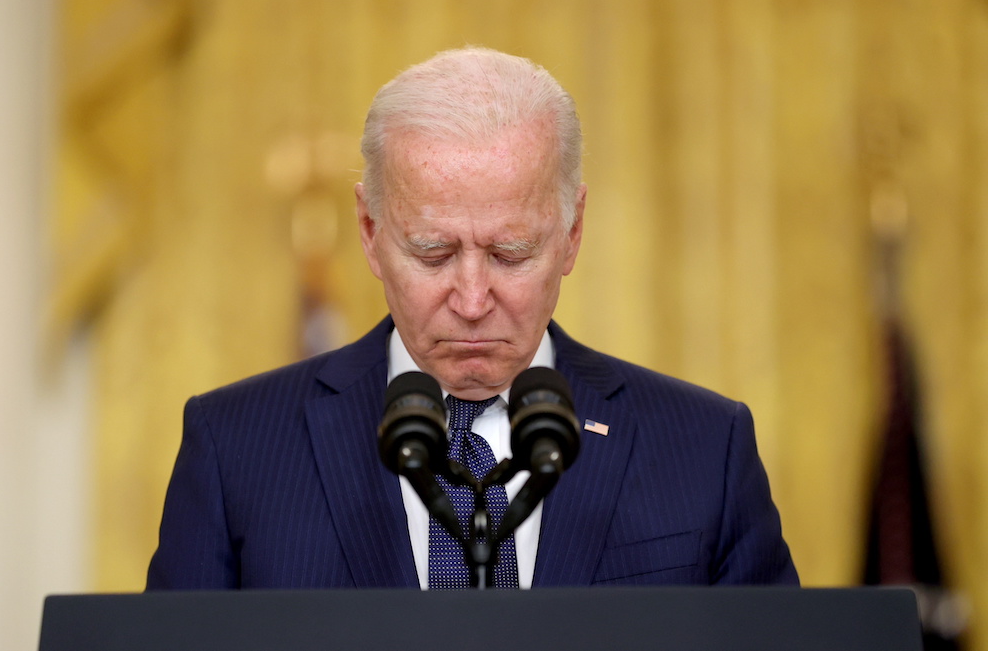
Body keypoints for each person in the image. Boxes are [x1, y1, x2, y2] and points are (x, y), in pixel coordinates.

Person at [147, 47, 798, 589]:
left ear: (572, 234)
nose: (471, 297)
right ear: (370, 231)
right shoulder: (234, 450)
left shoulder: (705, 448)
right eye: (433, 252)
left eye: (509, 253)